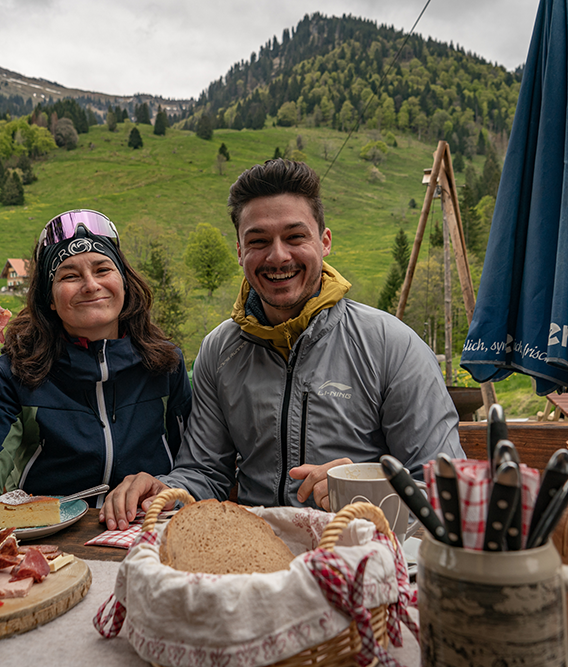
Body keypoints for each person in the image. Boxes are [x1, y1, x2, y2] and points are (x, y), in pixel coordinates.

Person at [100, 159, 463, 530]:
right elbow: (205, 473)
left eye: (295, 237)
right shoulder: (218, 351)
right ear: (240, 252)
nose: (278, 256)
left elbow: (447, 492)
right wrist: (165, 489)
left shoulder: (392, 346)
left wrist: (363, 489)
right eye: (258, 241)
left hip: (364, 557)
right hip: (260, 558)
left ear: (324, 242)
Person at [0, 209, 192, 516]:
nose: (91, 285)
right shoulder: (16, 374)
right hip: (50, 545)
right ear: (50, 299)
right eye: (70, 275)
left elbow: (197, 467)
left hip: (148, 531)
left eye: (103, 269)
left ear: (125, 283)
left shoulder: (165, 364)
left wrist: (164, 484)